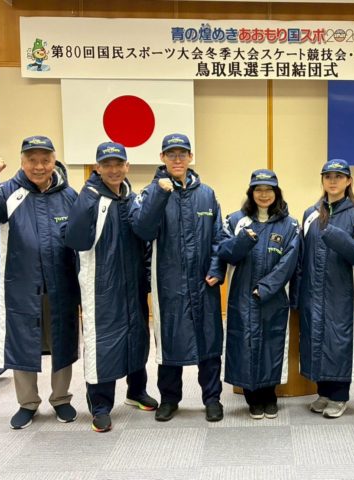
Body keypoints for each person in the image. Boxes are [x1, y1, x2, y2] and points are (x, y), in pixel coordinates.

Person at [0, 136, 79, 429]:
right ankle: (27, 403)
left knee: (62, 340)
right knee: (22, 341)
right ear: (22, 161)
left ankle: (61, 398)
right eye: (32, 160)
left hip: (61, 284)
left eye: (45, 160)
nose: (39, 166)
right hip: (21, 284)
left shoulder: (69, 195)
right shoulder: (8, 191)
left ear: (54, 161)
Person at [130, 133, 226, 423]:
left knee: (209, 341)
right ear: (162, 158)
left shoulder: (207, 194)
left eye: (182, 154)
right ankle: (170, 399)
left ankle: (212, 399)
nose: (177, 159)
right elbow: (143, 230)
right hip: (168, 283)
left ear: (190, 157)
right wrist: (161, 194)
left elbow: (219, 237)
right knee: (170, 342)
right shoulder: (150, 193)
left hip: (204, 283)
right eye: (171, 154)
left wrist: (216, 268)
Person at [65, 142, 158, 433]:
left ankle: (136, 391)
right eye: (107, 165)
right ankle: (101, 405)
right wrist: (86, 199)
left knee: (136, 336)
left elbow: (144, 238)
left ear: (127, 166)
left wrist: (145, 276)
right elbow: (75, 239)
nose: (114, 170)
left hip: (133, 283)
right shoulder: (90, 197)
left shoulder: (131, 198)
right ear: (97, 168)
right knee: (102, 343)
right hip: (101, 286)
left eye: (119, 164)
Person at [217, 169, 300, 419]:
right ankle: (252, 397)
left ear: (277, 193)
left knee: (272, 344)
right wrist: (244, 240)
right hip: (242, 295)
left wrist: (266, 287)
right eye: (258, 190)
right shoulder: (235, 220)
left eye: (269, 190)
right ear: (251, 193)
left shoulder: (290, 224)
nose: (264, 195)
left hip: (274, 296)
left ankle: (269, 395)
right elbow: (225, 252)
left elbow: (289, 261)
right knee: (245, 343)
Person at [299, 159, 354, 418]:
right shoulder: (310, 213)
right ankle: (323, 392)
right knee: (316, 338)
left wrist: (335, 236)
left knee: (338, 340)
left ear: (348, 181)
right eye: (328, 176)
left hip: (343, 291)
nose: (333, 181)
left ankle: (340, 395)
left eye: (339, 176)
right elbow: (301, 255)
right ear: (322, 180)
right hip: (313, 290)